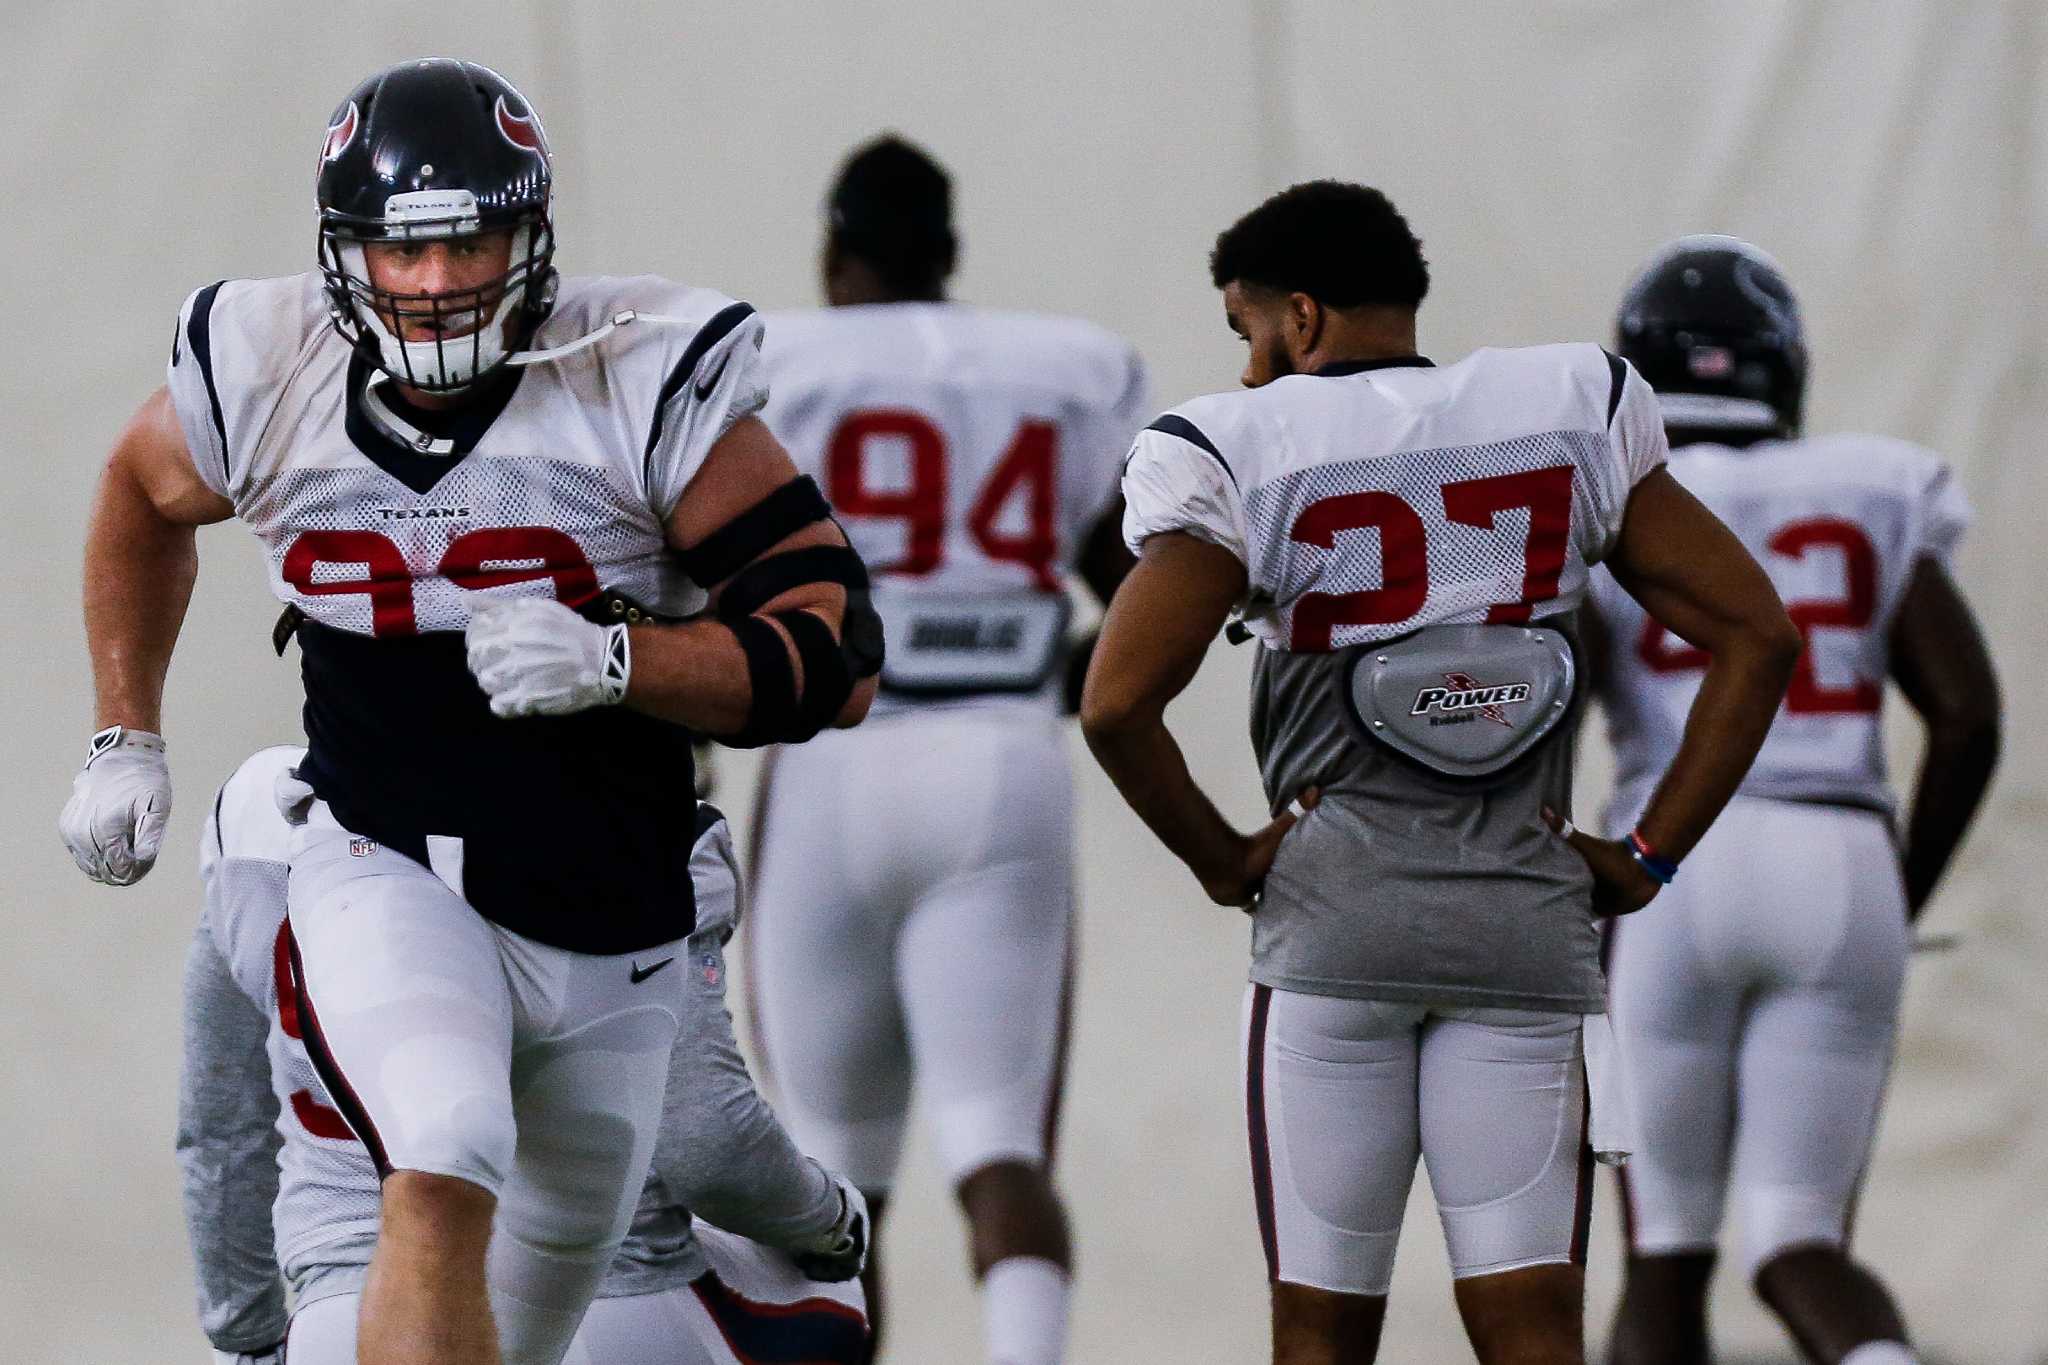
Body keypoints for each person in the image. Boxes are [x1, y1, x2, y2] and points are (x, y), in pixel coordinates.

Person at [58, 58, 878, 1365]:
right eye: (402, 251)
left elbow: (837, 664)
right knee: (440, 1149)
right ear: (344, 255)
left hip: (612, 926)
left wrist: (628, 663)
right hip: (386, 859)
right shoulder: (265, 367)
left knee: (540, 1297)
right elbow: (140, 491)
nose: (437, 284)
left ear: (531, 237)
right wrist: (124, 730)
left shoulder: (635, 374)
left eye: (472, 242)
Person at [1080, 181, 1803, 1365]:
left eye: (1248, 331)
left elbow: (1114, 704)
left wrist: (1223, 861)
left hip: (1334, 931)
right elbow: (1756, 639)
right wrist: (1643, 855)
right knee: (1528, 1332)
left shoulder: (1240, 446)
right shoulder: (1565, 410)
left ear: (1299, 315)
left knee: (1319, 1336)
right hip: (1520, 932)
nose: (1251, 371)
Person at [745, 135, 1149, 1365]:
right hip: (998, 760)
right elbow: (1136, 592)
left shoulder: (775, 359)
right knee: (1000, 1150)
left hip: (828, 762)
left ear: (832, 255)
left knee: (825, 1179)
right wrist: (1059, 668)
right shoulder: (1066, 369)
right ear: (952, 255)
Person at [1592, 236, 2001, 1365]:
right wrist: (1897, 890)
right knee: (1796, 1241)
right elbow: (1965, 713)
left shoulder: (1617, 502)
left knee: (1663, 1254)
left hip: (1665, 855)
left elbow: (1542, 695)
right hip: (1838, 855)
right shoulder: (1867, 483)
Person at [181, 747, 870, 1365]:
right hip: (590, 1306)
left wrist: (248, 1339)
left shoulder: (257, 817)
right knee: (834, 1293)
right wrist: (833, 1217)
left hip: (339, 1315)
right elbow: (705, 1140)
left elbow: (222, 1126)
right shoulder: (630, 825)